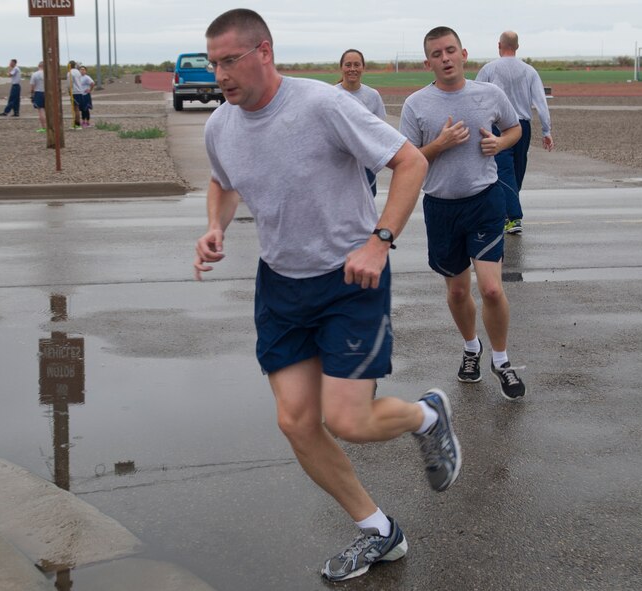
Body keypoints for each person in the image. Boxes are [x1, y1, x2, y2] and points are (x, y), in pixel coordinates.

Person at [195, 9, 461, 583]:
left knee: (348, 420)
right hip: (280, 285)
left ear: (263, 52)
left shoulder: (321, 105)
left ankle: (426, 415)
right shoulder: (221, 124)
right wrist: (215, 226)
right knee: (296, 422)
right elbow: (223, 181)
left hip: (350, 279)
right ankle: (380, 532)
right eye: (213, 62)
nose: (220, 73)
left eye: (229, 60)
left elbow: (409, 161)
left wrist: (380, 240)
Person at [399, 26, 526, 400]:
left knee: (490, 288)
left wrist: (500, 141)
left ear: (464, 54)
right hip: (440, 206)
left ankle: (501, 361)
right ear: (428, 62)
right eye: (437, 54)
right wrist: (439, 144)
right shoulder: (416, 105)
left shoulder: (489, 94)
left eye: (451, 51)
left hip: (484, 200)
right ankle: (472, 348)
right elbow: (407, 160)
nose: (445, 58)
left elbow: (515, 128)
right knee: (457, 292)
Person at [476, 31, 554, 234]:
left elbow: (476, 97)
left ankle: (508, 214)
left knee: (509, 171)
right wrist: (546, 130)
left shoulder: (489, 69)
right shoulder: (529, 71)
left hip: (499, 125)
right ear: (517, 47)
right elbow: (541, 102)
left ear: (499, 45)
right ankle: (512, 215)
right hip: (522, 126)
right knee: (511, 170)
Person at [336, 49, 387, 197]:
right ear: (342, 68)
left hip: (366, 167)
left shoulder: (373, 96)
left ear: (363, 67)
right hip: (340, 166)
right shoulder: (330, 94)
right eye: (348, 65)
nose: (352, 69)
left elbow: (380, 133)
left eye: (357, 65)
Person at [29, 61, 46, 132]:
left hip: (39, 92)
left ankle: (44, 127)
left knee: (41, 110)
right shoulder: (48, 73)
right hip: (48, 92)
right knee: (49, 110)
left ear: (38, 66)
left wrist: (32, 94)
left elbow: (32, 85)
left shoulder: (35, 74)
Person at [67, 60, 83, 129]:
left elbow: (69, 84)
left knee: (75, 109)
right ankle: (76, 123)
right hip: (80, 91)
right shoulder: (78, 72)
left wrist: (69, 92)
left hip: (74, 92)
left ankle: (77, 124)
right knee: (77, 108)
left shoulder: (69, 73)